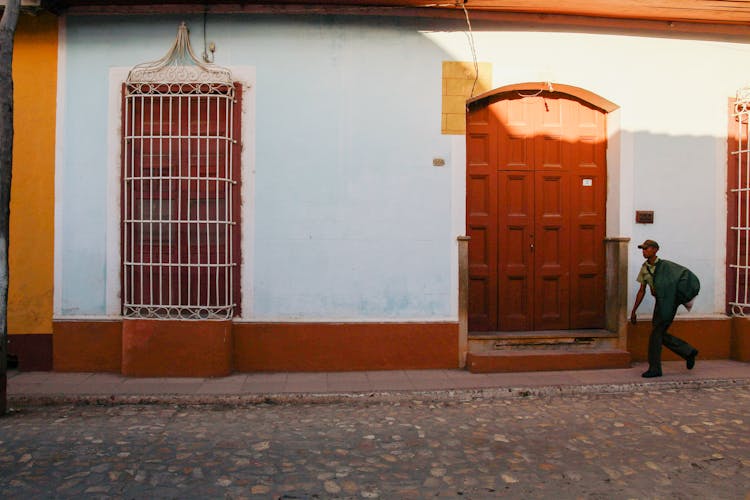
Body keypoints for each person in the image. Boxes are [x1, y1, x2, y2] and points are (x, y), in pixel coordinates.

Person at [630, 239, 700, 378]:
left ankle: (655, 368)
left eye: (647, 248)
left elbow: (677, 280)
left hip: (669, 303)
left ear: (655, 250)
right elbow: (642, 290)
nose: (644, 251)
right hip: (660, 303)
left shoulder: (666, 266)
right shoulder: (645, 268)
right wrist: (633, 310)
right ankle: (688, 352)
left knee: (656, 335)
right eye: (643, 249)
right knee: (659, 334)